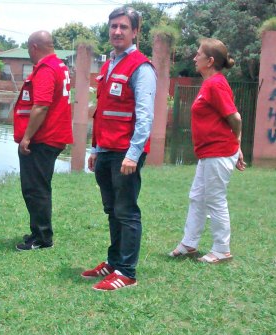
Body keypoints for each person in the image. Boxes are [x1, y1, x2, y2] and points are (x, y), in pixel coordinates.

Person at [81, 7, 157, 290]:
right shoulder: (108, 65)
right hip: (106, 150)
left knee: (126, 211)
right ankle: (113, 263)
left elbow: (145, 116)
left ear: (135, 32)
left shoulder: (142, 67)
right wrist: (95, 149)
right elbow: (103, 111)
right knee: (112, 209)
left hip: (126, 153)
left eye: (124, 27)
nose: (117, 31)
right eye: (113, 26)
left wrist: (133, 155)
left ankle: (127, 271)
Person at [168, 38, 246, 263]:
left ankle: (222, 249)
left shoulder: (215, 84)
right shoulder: (211, 83)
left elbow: (235, 117)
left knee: (214, 199)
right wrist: (236, 146)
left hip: (218, 152)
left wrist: (236, 144)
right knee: (197, 197)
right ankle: (189, 243)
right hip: (211, 153)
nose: (194, 57)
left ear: (210, 61)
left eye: (198, 54)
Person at [13, 31, 73, 251]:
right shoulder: (60, 65)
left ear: (34, 47)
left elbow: (41, 105)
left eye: (28, 49)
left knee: (35, 188)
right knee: (39, 186)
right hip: (53, 135)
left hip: (44, 138)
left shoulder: (46, 69)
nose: (29, 53)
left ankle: (42, 238)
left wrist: (26, 137)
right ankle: (38, 232)